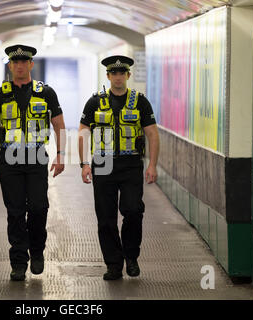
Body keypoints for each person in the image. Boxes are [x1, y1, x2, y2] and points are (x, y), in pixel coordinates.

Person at [0, 44, 66, 281]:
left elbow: (59, 125)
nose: (19, 66)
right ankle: (19, 262)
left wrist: (60, 155)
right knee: (16, 211)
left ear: (31, 64)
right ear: (10, 66)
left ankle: (37, 251)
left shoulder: (46, 93)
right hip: (9, 160)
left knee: (39, 207)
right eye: (15, 62)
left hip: (37, 157)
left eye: (24, 62)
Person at [78, 55, 159, 280]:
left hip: (131, 163)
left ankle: (131, 257)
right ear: (108, 76)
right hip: (103, 163)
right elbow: (83, 130)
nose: (118, 77)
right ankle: (113, 264)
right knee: (106, 217)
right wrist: (84, 163)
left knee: (133, 210)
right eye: (113, 73)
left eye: (121, 73)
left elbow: (152, 133)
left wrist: (152, 165)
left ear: (128, 76)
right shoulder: (95, 102)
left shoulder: (140, 102)